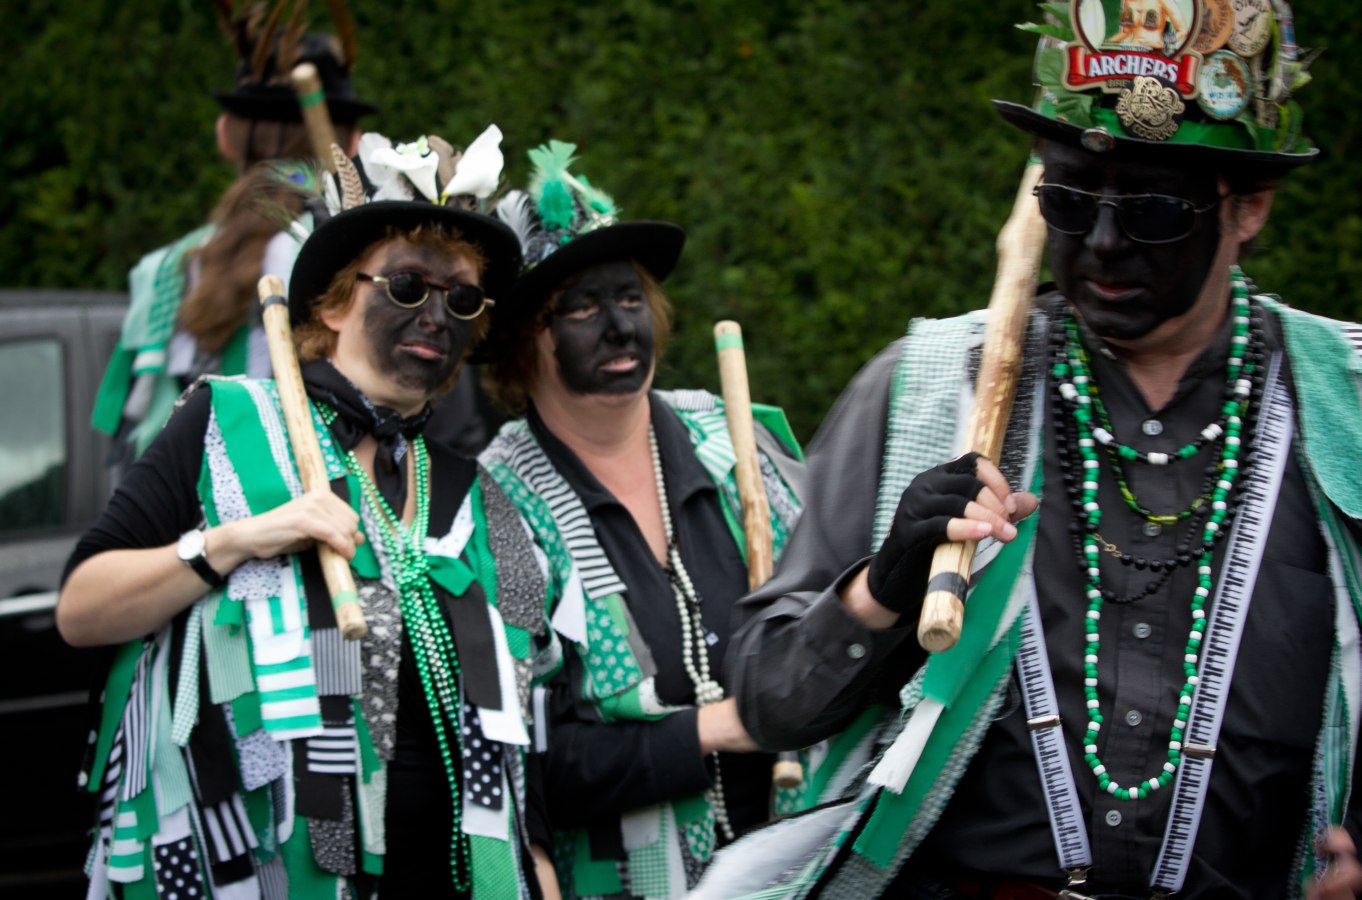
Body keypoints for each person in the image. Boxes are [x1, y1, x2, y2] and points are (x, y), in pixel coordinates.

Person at [702, 4, 1362, 898]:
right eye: (1070, 202)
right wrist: (881, 589)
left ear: (1250, 208)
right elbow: (770, 704)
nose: (1102, 246)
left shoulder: (1344, 406)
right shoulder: (928, 388)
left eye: (1154, 211)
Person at [59, 130, 562, 898]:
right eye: (406, 285)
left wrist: (537, 869)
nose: (436, 314)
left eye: (461, 298)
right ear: (331, 303)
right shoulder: (227, 426)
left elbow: (522, 730)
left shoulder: (477, 492)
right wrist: (238, 540)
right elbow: (81, 609)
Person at [477, 141, 806, 898]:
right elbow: (526, 766)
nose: (621, 328)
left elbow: (824, 617)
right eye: (582, 309)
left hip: (803, 868)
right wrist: (717, 729)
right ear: (525, 340)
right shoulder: (495, 504)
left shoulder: (734, 440)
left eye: (629, 300)